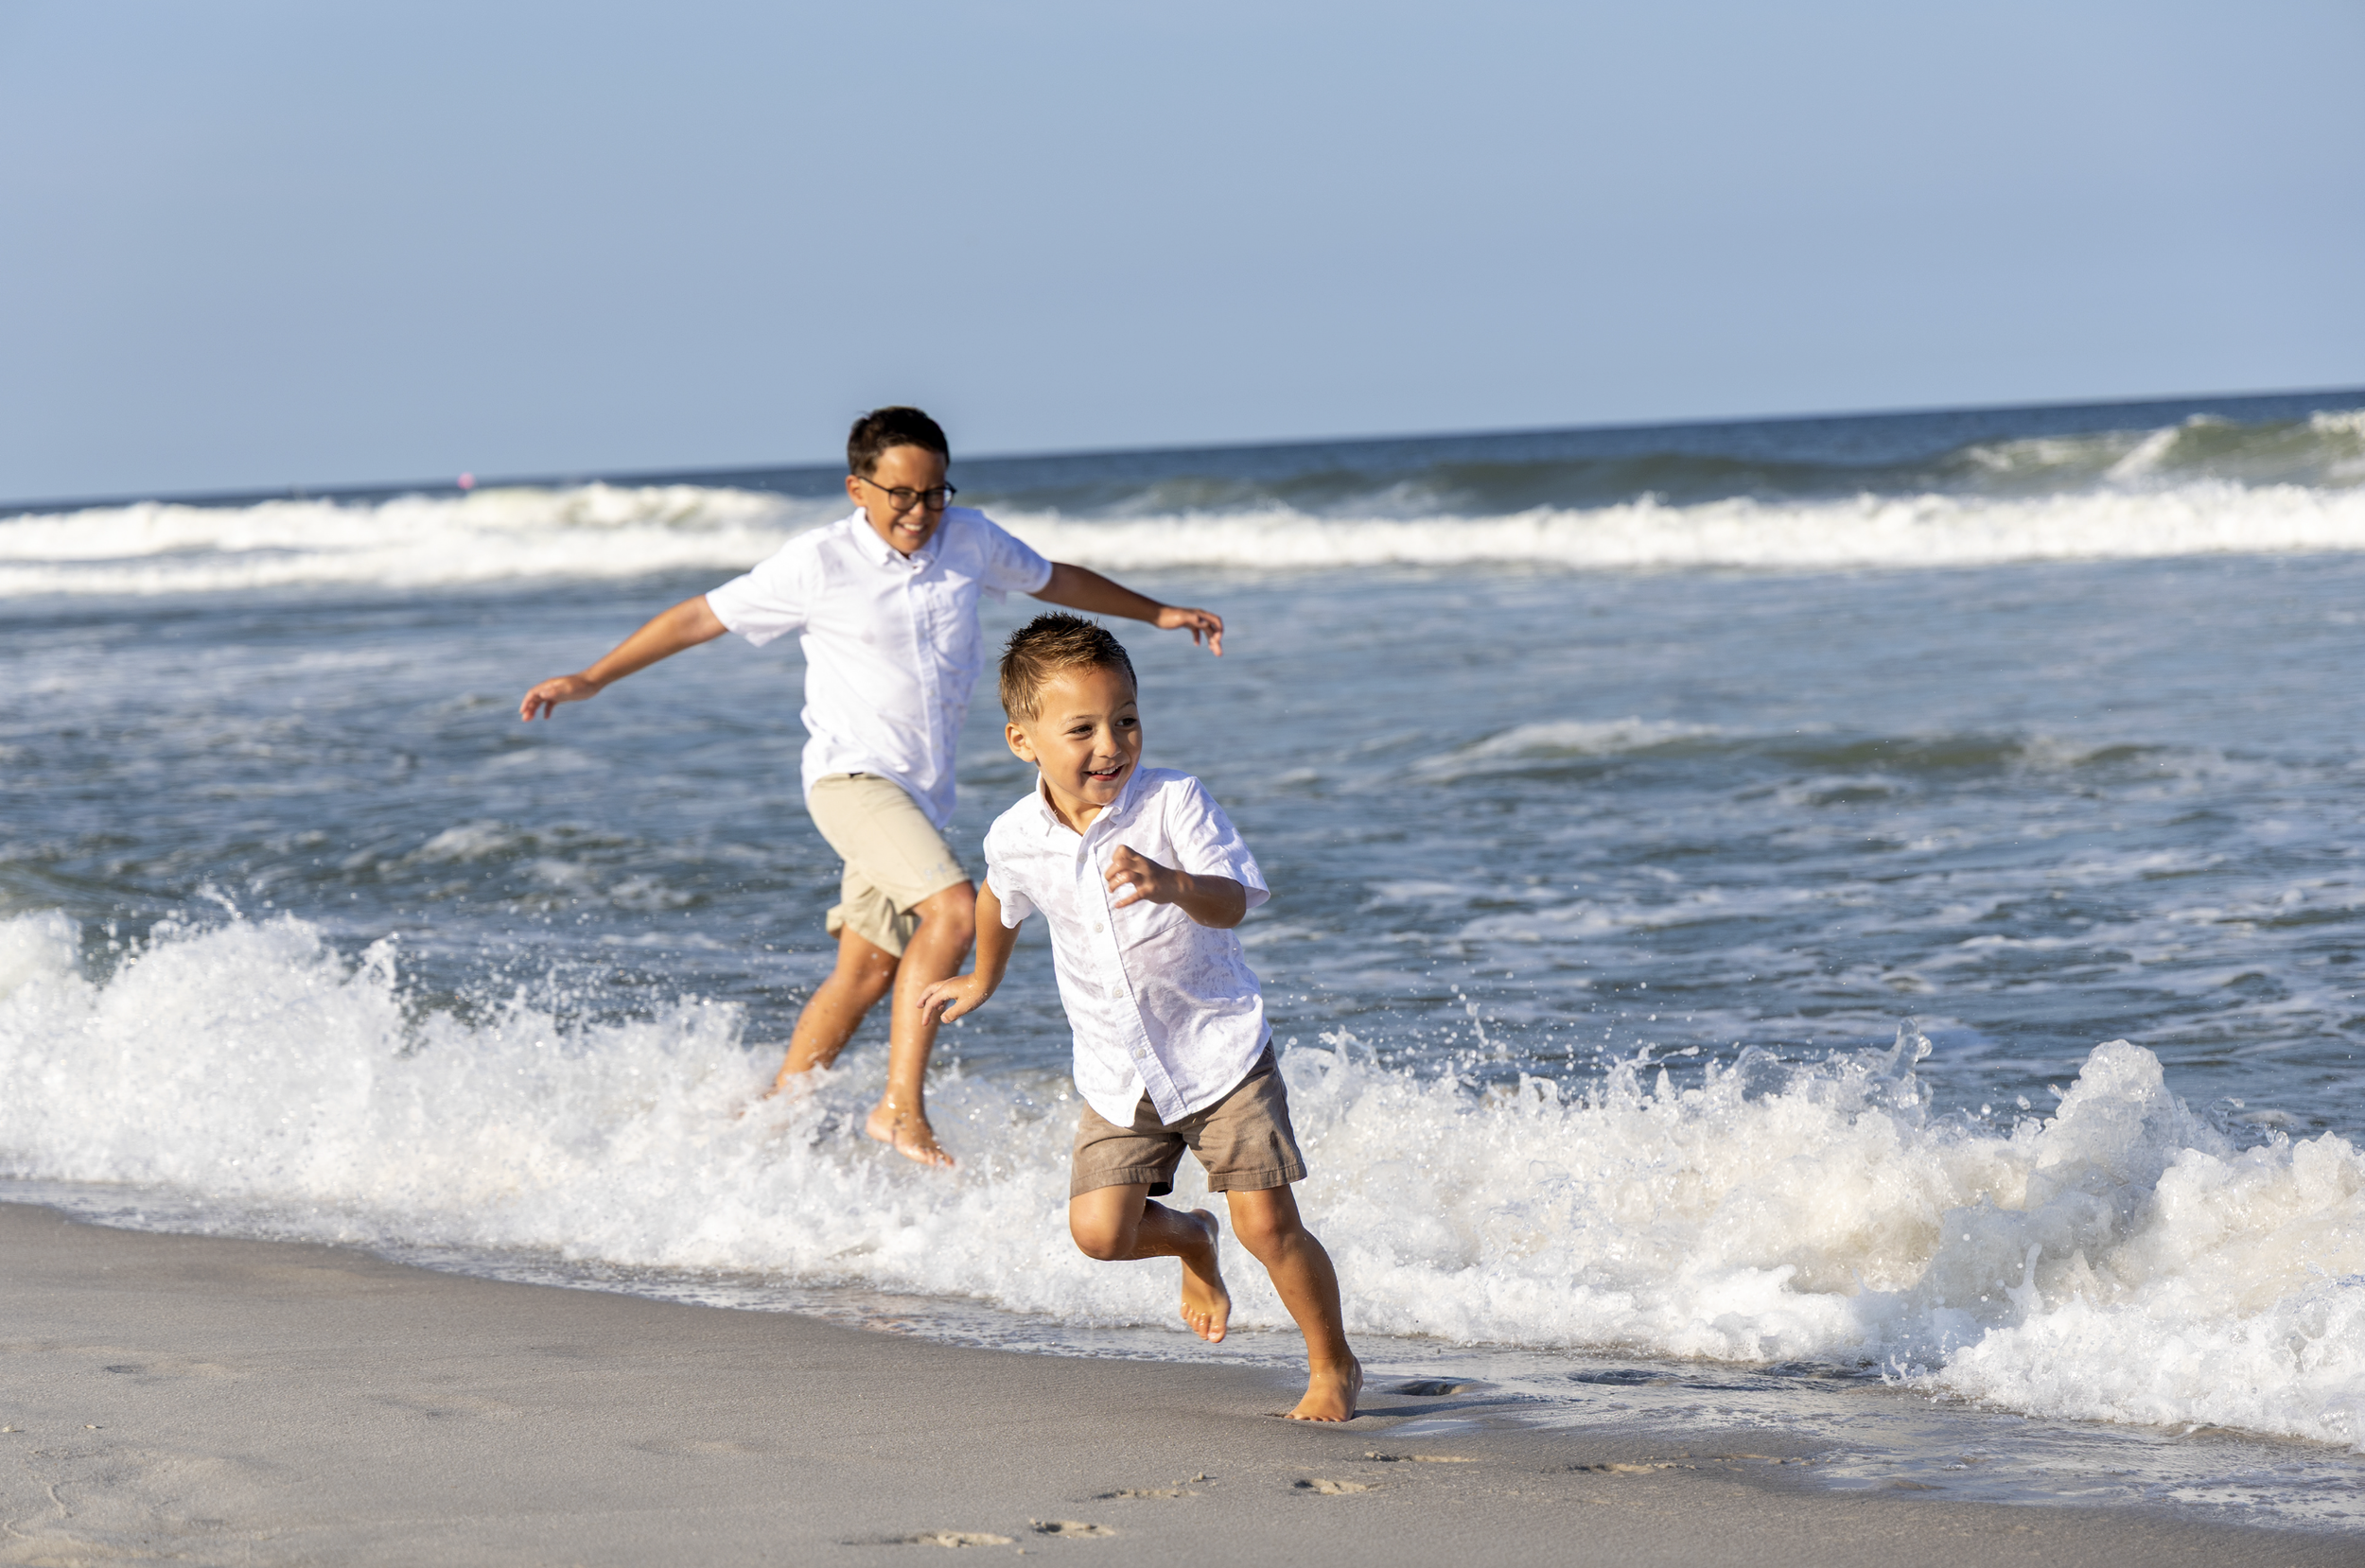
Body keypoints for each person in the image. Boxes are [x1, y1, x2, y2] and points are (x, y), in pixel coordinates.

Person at [518, 409, 1223, 1167]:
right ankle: (898, 1111)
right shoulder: (818, 563)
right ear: (859, 488)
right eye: (900, 495)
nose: (920, 512)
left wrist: (1157, 612)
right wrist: (592, 676)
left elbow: (1056, 579)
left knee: (863, 972)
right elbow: (700, 616)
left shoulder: (971, 541)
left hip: (919, 798)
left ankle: (771, 1121)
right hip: (850, 780)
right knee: (954, 911)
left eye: (934, 493)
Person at [917, 613, 1360, 1421]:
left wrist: (1173, 883)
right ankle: (1192, 1237)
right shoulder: (1016, 836)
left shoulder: (1174, 803)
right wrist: (983, 974)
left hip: (1218, 1053)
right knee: (1100, 1233)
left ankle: (1333, 1365)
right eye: (1082, 728)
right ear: (1024, 741)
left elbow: (1233, 904)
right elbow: (998, 899)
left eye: (1125, 719)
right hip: (1119, 1069)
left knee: (1267, 1227)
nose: (1111, 745)